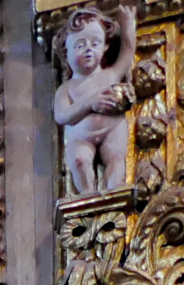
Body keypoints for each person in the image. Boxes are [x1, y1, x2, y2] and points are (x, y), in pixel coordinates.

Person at [53, 2, 136, 195]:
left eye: (95, 43)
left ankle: (114, 192)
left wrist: (128, 27)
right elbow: (62, 116)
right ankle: (88, 196)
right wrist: (90, 103)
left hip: (112, 128)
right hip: (81, 136)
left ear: (106, 46)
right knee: (80, 161)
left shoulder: (110, 75)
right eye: (80, 45)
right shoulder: (66, 88)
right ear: (66, 53)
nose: (88, 49)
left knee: (115, 157)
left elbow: (127, 52)